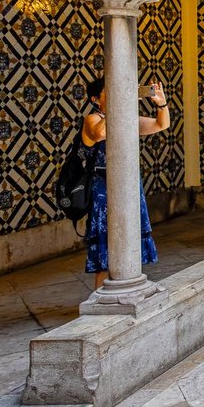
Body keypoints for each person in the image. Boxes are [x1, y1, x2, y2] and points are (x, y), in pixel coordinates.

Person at [82, 78, 170, 289]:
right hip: (105, 189)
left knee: (128, 242)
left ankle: (126, 286)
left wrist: (161, 104)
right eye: (108, 91)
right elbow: (100, 133)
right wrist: (118, 102)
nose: (116, 94)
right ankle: (102, 298)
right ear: (95, 98)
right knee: (107, 246)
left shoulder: (126, 119)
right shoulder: (92, 119)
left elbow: (161, 124)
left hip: (129, 188)